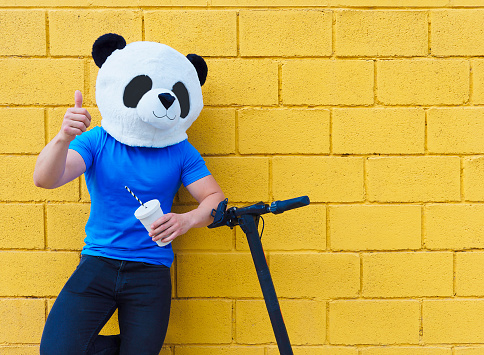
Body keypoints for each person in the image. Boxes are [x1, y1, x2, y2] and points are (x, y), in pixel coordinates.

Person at [35, 90, 225, 355]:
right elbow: (44, 179)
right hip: (99, 262)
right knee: (56, 350)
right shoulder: (98, 139)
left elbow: (215, 199)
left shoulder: (180, 149)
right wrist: (63, 137)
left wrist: (187, 220)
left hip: (151, 269)